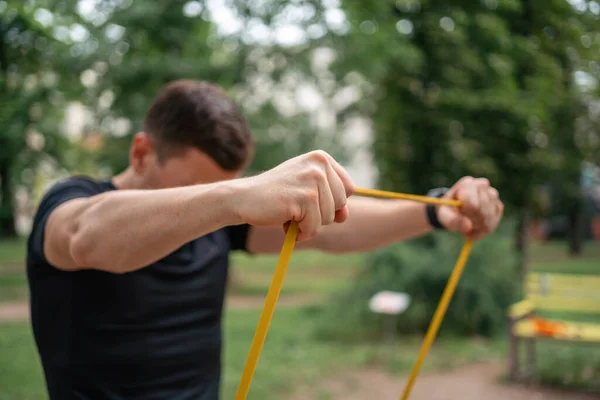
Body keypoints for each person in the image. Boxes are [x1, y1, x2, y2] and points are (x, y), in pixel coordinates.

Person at [26, 79, 504, 400]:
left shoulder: (219, 223)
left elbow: (336, 226)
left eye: (222, 186)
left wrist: (435, 212)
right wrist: (235, 195)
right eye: (198, 187)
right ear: (141, 152)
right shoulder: (74, 202)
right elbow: (85, 235)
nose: (210, 202)